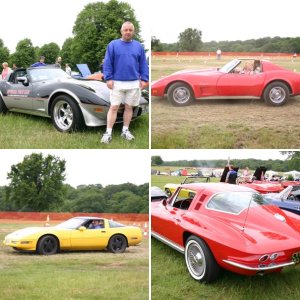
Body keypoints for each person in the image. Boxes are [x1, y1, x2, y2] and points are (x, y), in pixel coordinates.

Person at [101, 21, 149, 144]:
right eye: (125, 30)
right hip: (117, 82)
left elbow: (143, 64)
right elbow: (107, 63)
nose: (128, 32)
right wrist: (109, 78)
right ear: (121, 31)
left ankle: (125, 130)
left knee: (129, 107)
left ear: (133, 32)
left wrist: (144, 79)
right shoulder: (113, 45)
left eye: (130, 30)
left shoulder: (139, 46)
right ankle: (108, 133)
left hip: (133, 83)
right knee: (114, 107)